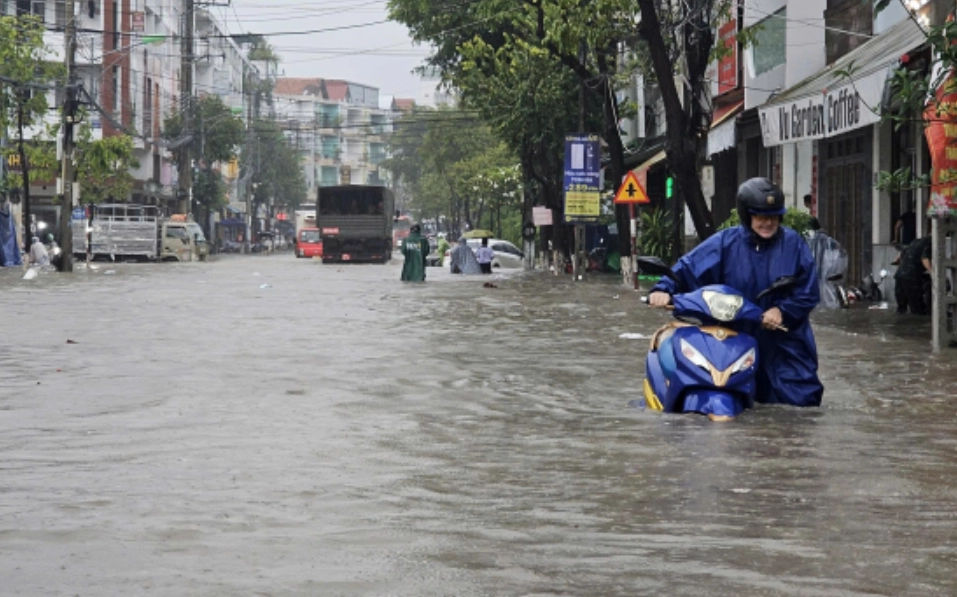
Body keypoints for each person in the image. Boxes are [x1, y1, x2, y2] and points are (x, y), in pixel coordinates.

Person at [649, 177, 824, 407]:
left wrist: (783, 311)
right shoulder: (725, 242)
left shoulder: (794, 245)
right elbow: (688, 268)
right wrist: (664, 289)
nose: (767, 222)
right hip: (734, 340)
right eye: (760, 216)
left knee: (798, 410)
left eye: (773, 216)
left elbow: (809, 291)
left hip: (785, 344)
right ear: (746, 215)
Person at [893, 234, 931, 315]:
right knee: (918, 309)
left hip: (899, 275)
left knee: (901, 308)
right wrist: (932, 272)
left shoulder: (916, 241)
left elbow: (902, 253)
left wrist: (897, 261)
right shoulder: (929, 242)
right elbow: (924, 258)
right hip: (911, 276)